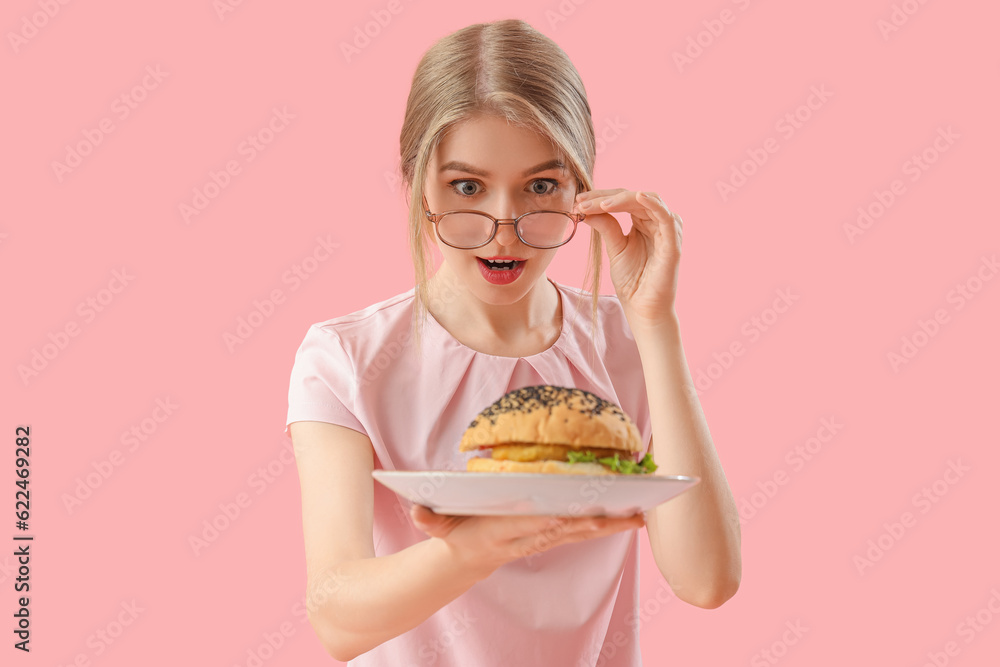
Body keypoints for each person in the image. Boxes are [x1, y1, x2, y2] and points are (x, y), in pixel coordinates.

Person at [285, 18, 741, 666]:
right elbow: (337, 616)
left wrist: (655, 323)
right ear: (418, 188)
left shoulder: (622, 343)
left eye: (541, 186)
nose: (505, 228)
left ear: (581, 191)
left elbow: (706, 580)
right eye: (468, 187)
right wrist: (475, 546)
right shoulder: (345, 359)